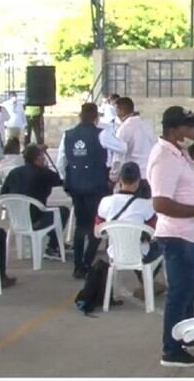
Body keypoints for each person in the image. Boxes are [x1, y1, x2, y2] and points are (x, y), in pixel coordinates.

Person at [147, 106, 194, 368]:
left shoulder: (178, 151)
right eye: (189, 126)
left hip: (190, 235)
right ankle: (171, 349)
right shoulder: (164, 158)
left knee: (190, 287)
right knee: (179, 292)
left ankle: (186, 334)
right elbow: (160, 203)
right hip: (177, 236)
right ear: (175, 129)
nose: (193, 130)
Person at [57, 103, 126, 279]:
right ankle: (88, 261)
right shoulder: (102, 133)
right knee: (97, 224)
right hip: (97, 184)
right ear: (96, 117)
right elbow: (122, 148)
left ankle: (78, 265)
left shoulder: (68, 134)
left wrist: (67, 179)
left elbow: (61, 161)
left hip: (76, 185)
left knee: (80, 225)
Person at [95, 162, 165, 301]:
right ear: (138, 181)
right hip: (140, 253)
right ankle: (147, 282)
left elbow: (97, 231)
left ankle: (146, 283)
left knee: (130, 244)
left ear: (119, 180)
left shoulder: (105, 202)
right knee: (163, 244)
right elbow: (154, 231)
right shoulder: (146, 205)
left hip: (115, 252)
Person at [0, 144, 69, 261]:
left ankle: (55, 243)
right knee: (63, 211)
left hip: (16, 218)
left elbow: (3, 194)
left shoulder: (14, 173)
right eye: (42, 156)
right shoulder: (43, 173)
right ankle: (52, 246)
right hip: (36, 218)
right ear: (38, 158)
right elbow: (60, 181)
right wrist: (46, 166)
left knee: (51, 211)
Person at [114, 97, 157, 197]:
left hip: (132, 177)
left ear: (121, 111)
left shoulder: (124, 129)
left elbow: (118, 155)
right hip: (149, 175)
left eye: (117, 110)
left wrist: (115, 175)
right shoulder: (147, 125)